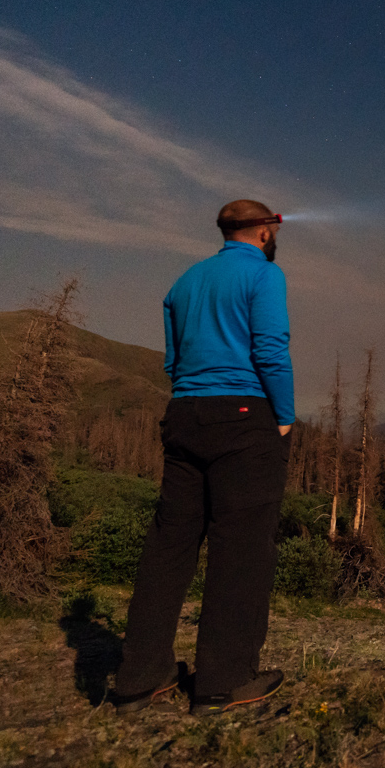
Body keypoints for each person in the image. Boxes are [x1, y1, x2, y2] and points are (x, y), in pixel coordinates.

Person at [112, 200, 295, 715]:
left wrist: (197, 398)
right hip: (244, 418)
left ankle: (139, 678)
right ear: (263, 233)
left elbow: (173, 360)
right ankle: (223, 681)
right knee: (240, 548)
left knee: (170, 544)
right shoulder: (265, 278)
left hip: (186, 415)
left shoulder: (184, 282)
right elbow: (270, 351)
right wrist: (283, 417)